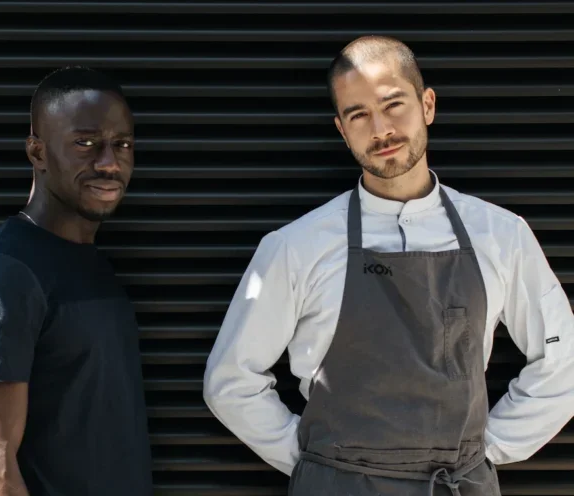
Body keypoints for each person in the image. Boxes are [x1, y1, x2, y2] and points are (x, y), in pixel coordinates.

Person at [203, 36, 574, 495]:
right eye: (358, 114)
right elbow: (230, 381)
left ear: (428, 105)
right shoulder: (295, 246)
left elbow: (565, 363)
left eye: (393, 104)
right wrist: (315, 464)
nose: (380, 129)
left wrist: (488, 450)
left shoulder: (502, 235)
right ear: (341, 129)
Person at [0, 66, 153, 496]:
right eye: (85, 143)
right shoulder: (5, 275)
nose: (109, 162)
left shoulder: (84, 260)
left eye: (123, 144)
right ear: (36, 152)